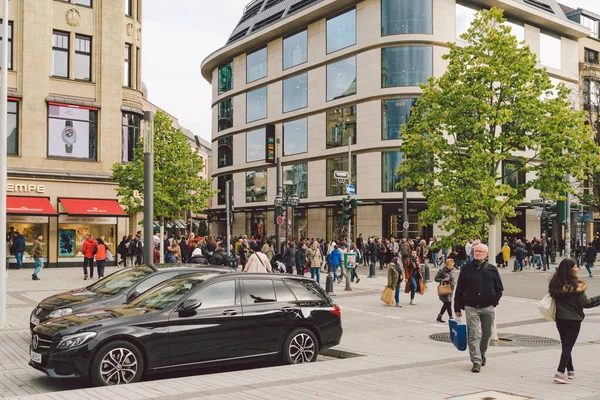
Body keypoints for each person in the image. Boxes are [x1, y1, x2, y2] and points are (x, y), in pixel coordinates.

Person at [549, 258, 600, 383]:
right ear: (570, 270)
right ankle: (560, 372)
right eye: (575, 267)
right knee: (567, 347)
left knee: (566, 345)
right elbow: (585, 303)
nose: (577, 269)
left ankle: (570, 371)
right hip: (573, 320)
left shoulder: (555, 283)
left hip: (560, 318)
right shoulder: (576, 286)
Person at [454, 244, 504, 373]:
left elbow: (499, 288)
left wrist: (495, 302)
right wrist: (457, 307)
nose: (478, 253)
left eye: (481, 251)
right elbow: (459, 289)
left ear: (486, 254)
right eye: (476, 251)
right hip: (471, 307)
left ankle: (482, 354)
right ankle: (476, 361)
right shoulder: (466, 269)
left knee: (487, 334)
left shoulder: (492, 269)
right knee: (473, 335)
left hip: (488, 306)